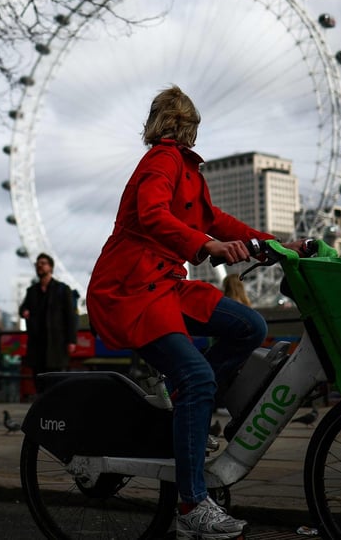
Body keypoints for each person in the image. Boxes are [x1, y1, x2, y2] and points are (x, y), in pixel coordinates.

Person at [86, 85, 310, 540]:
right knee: (199, 378)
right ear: (187, 126)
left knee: (249, 326)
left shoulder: (186, 170)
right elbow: (153, 215)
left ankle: (187, 405)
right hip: (133, 288)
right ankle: (190, 505)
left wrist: (276, 245)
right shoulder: (162, 161)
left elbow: (216, 220)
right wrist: (206, 246)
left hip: (165, 284)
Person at [18, 253, 79, 379]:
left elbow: (70, 316)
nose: (39, 266)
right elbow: (22, 308)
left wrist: (72, 341)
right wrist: (24, 311)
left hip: (56, 344)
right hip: (37, 345)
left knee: (56, 380)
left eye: (43, 263)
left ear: (51, 267)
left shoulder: (63, 289)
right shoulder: (31, 291)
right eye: (37, 264)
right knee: (39, 380)